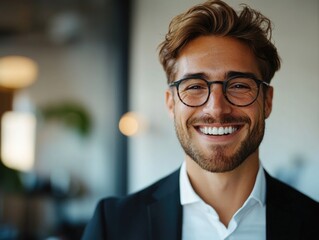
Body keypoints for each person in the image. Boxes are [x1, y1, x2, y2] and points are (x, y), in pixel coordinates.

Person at [82, 0, 319, 239]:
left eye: (238, 85)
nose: (216, 109)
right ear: (171, 103)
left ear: (267, 101)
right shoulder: (113, 225)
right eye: (194, 86)